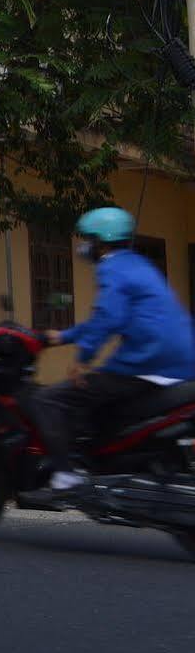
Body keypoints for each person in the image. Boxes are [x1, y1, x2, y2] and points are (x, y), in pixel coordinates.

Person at [30, 206, 195, 501]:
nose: (85, 246)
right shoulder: (140, 265)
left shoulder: (112, 267)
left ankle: (66, 474)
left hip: (147, 363)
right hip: (179, 363)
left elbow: (108, 317)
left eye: (88, 239)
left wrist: (82, 360)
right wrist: (63, 337)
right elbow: (106, 319)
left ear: (101, 241)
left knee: (49, 398)